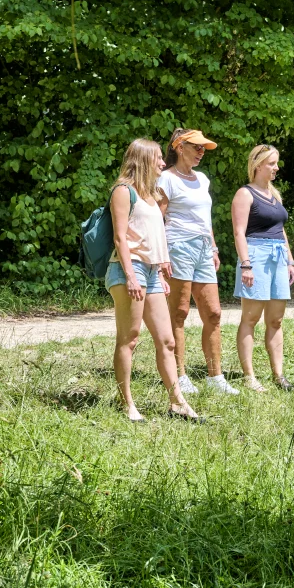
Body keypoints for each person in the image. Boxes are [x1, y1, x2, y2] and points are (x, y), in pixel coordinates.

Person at [107, 139, 199, 422]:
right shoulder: (123, 191)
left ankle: (177, 403)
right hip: (128, 269)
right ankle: (128, 404)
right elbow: (121, 237)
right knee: (130, 338)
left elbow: (151, 236)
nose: (163, 162)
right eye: (158, 158)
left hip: (151, 271)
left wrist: (159, 270)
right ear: (144, 159)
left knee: (167, 340)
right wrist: (132, 277)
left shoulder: (151, 194)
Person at [158, 128, 239, 396]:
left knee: (214, 313)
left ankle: (215, 377)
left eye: (204, 149)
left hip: (204, 248)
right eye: (197, 147)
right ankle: (179, 376)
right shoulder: (165, 179)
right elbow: (158, 219)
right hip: (177, 247)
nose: (202, 152)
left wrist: (214, 248)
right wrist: (161, 256)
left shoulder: (202, 179)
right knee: (179, 313)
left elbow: (205, 217)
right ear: (180, 147)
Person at [231, 145, 294, 392]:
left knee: (276, 319)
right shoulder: (244, 194)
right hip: (255, 255)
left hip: (278, 256)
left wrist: (290, 260)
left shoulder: (274, 194)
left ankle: (278, 375)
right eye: (272, 163)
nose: (276, 168)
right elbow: (239, 232)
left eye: (276, 163)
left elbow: (281, 230)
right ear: (258, 165)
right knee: (250, 318)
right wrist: (246, 264)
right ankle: (250, 376)